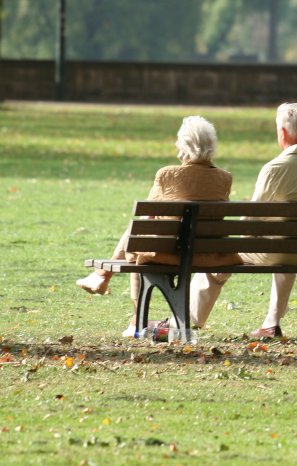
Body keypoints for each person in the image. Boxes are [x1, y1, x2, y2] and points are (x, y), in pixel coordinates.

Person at [76, 116, 241, 337]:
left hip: (168, 253)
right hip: (208, 255)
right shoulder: (224, 178)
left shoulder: (167, 174)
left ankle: (129, 310)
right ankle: (104, 278)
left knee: (140, 240)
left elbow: (148, 215)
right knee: (141, 238)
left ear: (183, 146)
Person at [193, 102, 297, 339]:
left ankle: (191, 319)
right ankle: (272, 322)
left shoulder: (275, 168)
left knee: (217, 259)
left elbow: (249, 221)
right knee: (288, 241)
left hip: (279, 250)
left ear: (282, 133)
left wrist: (246, 240)